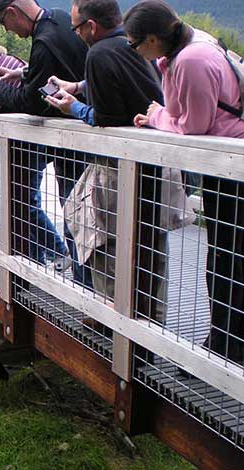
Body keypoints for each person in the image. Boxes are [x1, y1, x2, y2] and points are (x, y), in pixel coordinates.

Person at [123, 0, 244, 365]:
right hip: (227, 164)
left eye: (134, 44)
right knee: (226, 256)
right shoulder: (193, 46)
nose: (133, 51)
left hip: (228, 169)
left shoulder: (191, 60)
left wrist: (157, 115)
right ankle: (224, 340)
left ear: (154, 39)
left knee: (227, 259)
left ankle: (227, 345)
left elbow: (193, 126)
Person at [45, 0, 167, 326]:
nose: (77, 34)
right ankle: (154, 326)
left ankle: (113, 322)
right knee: (150, 251)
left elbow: (107, 118)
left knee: (102, 240)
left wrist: (73, 107)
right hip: (157, 165)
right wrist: (81, 86)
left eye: (76, 28)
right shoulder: (133, 44)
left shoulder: (97, 54)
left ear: (91, 27)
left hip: (120, 167)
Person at [0, 0, 89, 276]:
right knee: (84, 215)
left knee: (76, 215)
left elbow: (29, 102)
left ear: (13, 13)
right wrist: (24, 72)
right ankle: (85, 281)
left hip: (72, 140)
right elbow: (59, 69)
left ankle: (84, 285)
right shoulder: (62, 20)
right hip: (86, 134)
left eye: (5, 23)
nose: (9, 31)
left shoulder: (43, 41)